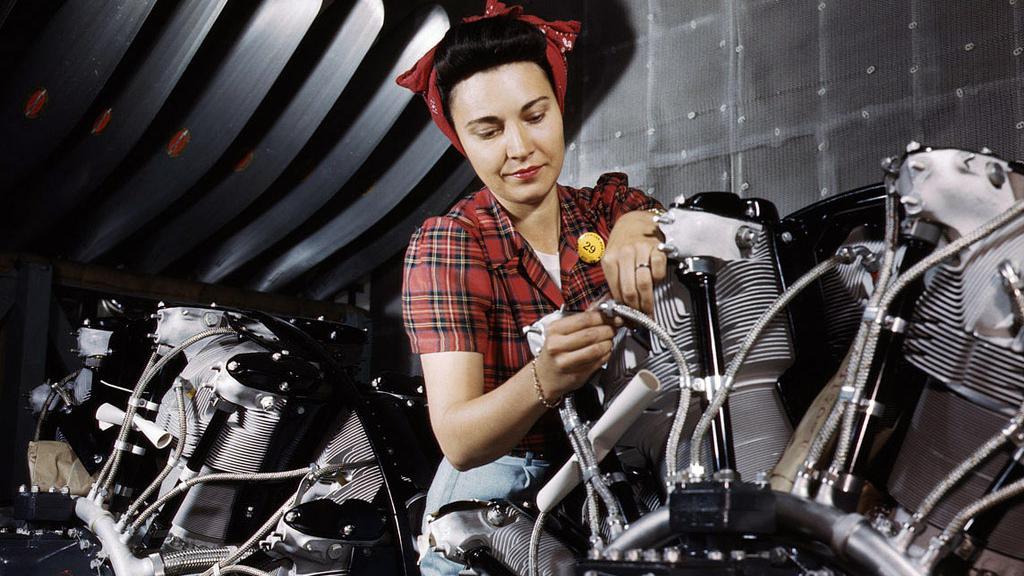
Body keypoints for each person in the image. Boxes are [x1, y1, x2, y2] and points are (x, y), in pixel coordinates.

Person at [397, 2, 665, 573]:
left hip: (614, 483)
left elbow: (650, 220)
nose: (519, 148)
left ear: (559, 109)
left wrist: (638, 232)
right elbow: (460, 439)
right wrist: (545, 378)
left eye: (535, 116)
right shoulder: (451, 243)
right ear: (461, 141)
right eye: (488, 131)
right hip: (497, 498)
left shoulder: (605, 208)